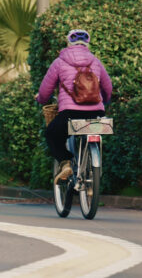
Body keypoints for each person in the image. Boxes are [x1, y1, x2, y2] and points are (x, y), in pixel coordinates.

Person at [35, 29, 112, 184]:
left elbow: (45, 90)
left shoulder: (59, 62)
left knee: (52, 134)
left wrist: (42, 99)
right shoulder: (96, 61)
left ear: (68, 43)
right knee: (94, 130)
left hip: (69, 114)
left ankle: (66, 163)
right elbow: (108, 87)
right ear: (87, 45)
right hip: (95, 113)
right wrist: (104, 102)